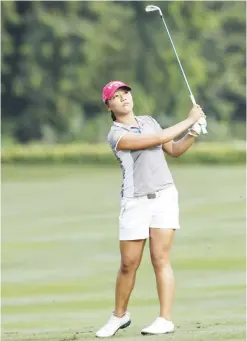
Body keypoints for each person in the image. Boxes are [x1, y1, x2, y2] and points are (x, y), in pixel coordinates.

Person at [96, 80, 207, 338]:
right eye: (117, 96)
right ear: (108, 105)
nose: (124, 98)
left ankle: (165, 319)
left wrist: (193, 133)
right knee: (128, 264)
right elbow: (158, 139)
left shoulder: (149, 121)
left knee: (160, 259)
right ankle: (119, 316)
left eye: (126, 94)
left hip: (165, 196)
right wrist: (189, 119)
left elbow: (174, 149)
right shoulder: (116, 135)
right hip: (135, 201)